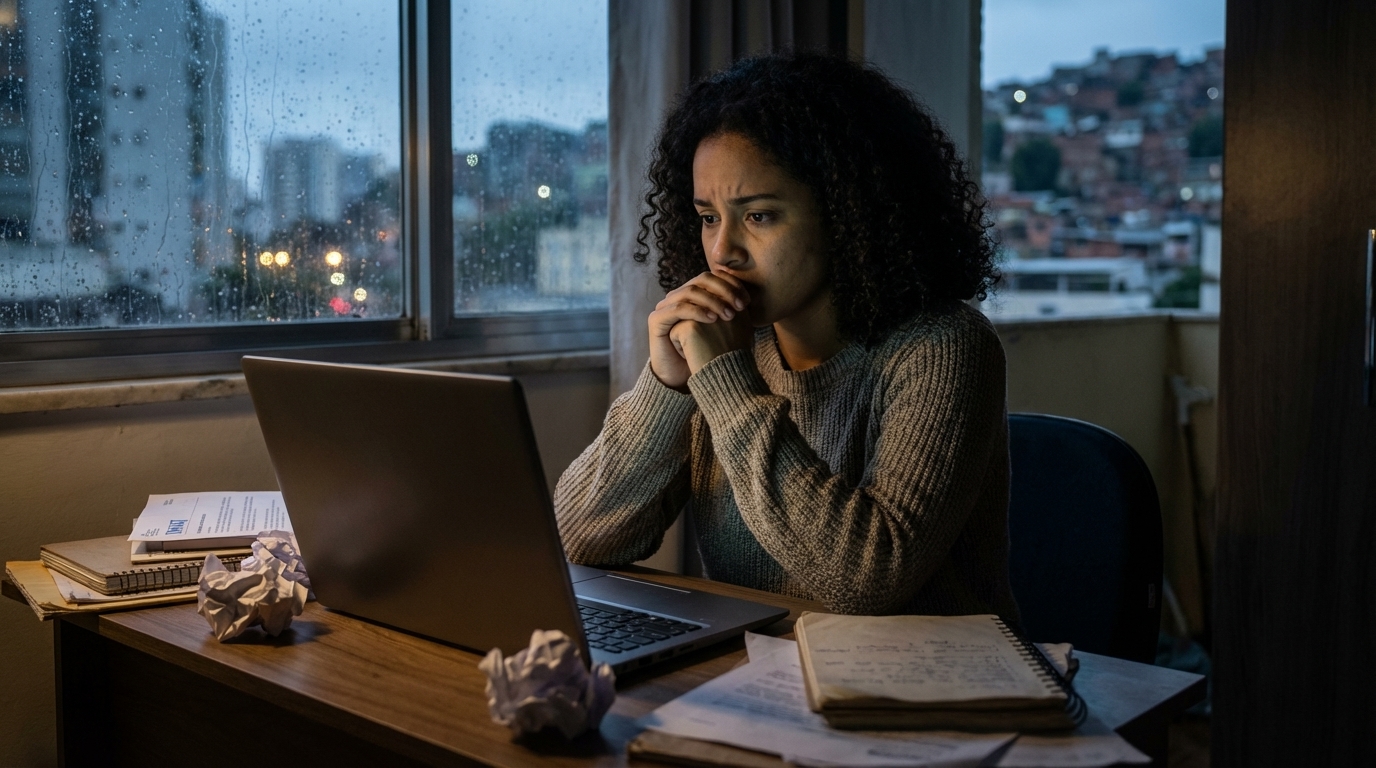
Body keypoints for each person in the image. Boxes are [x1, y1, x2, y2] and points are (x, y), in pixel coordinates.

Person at [555, 51, 1019, 622]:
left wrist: (727, 386)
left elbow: (866, 582)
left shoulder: (944, 347)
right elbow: (578, 540)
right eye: (707, 217)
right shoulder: (725, 349)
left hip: (925, 694)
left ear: (850, 213)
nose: (723, 250)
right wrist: (666, 388)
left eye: (760, 215)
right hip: (760, 683)